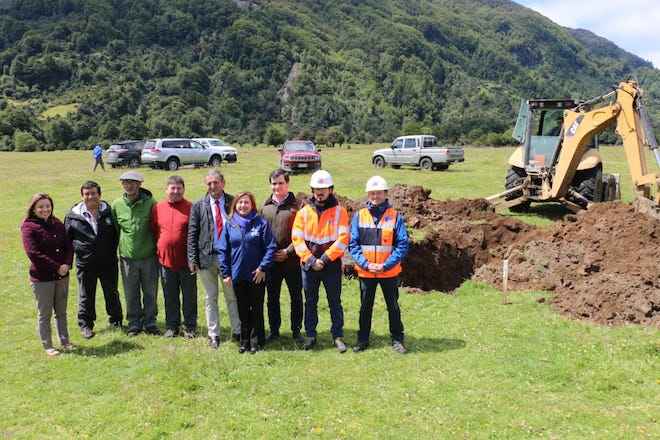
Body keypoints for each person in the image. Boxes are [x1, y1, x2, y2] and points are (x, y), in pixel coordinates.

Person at [349, 176, 409, 354]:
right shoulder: (359, 216)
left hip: (388, 273)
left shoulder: (395, 216)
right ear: (368, 194)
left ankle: (397, 339)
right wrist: (366, 264)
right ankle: (363, 340)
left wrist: (386, 265)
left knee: (393, 306)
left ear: (385, 193)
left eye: (378, 193)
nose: (375, 196)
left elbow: (402, 244)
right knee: (365, 307)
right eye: (372, 193)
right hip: (366, 272)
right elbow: (353, 244)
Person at [291, 170, 349, 352]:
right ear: (312, 190)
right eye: (317, 188)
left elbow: (343, 238)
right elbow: (297, 239)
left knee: (334, 301)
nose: (320, 192)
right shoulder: (304, 212)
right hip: (309, 266)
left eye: (324, 188)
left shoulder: (340, 212)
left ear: (331, 189)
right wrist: (310, 260)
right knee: (310, 301)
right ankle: (310, 335)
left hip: (330, 265)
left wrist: (323, 259)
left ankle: (337, 335)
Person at [217, 192, 277, 354]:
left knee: (256, 307)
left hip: (257, 275)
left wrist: (262, 268)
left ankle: (256, 339)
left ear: (252, 205)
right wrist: (226, 273)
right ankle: (244, 340)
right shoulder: (230, 224)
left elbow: (271, 247)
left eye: (246, 203)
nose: (243, 205)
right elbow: (222, 250)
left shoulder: (261, 223)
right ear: (235, 205)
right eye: (240, 202)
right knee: (242, 309)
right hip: (237, 275)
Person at [187, 169, 241, 350]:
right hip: (205, 259)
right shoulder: (199, 205)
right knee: (210, 298)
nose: (212, 186)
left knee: (232, 296)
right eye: (209, 183)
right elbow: (192, 234)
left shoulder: (234, 202)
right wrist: (192, 258)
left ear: (223, 183)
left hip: (229, 259)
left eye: (215, 182)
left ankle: (238, 331)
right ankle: (213, 335)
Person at [64, 181, 123, 339]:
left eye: (93, 193)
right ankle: (85, 325)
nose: (90, 197)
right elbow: (66, 242)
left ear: (100, 195)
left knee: (112, 293)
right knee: (86, 295)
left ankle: (116, 320)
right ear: (82, 196)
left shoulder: (109, 212)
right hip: (86, 263)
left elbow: (117, 235)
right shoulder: (73, 217)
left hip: (108, 262)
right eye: (87, 194)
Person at [21, 193, 74, 356]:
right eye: (41, 206)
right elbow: (33, 253)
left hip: (62, 275)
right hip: (42, 278)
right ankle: (48, 345)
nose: (45, 209)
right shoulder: (28, 226)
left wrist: (66, 264)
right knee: (45, 313)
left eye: (48, 206)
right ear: (34, 209)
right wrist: (57, 267)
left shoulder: (57, 222)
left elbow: (69, 245)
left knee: (61, 311)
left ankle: (65, 341)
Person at [111, 171, 159, 336]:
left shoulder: (151, 203)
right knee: (131, 292)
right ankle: (134, 323)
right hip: (127, 258)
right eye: (125, 182)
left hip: (149, 256)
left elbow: (156, 228)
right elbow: (116, 231)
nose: (129, 186)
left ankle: (150, 322)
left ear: (140, 184)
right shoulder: (117, 205)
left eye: (133, 182)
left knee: (150, 291)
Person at [260, 169, 304, 344]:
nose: (277, 186)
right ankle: (274, 330)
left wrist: (288, 251)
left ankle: (296, 331)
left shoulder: (298, 206)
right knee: (272, 298)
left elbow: (304, 233)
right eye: (274, 183)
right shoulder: (265, 207)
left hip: (292, 261)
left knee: (296, 296)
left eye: (280, 183)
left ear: (288, 183)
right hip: (271, 262)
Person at [152, 176, 197, 339]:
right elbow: (155, 230)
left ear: (183, 189)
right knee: (170, 295)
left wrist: (194, 259)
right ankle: (172, 326)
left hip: (187, 262)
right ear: (166, 190)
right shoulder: (158, 208)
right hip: (165, 261)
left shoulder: (191, 207)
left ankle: (190, 326)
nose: (176, 191)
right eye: (173, 188)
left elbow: (195, 233)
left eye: (179, 188)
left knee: (189, 296)